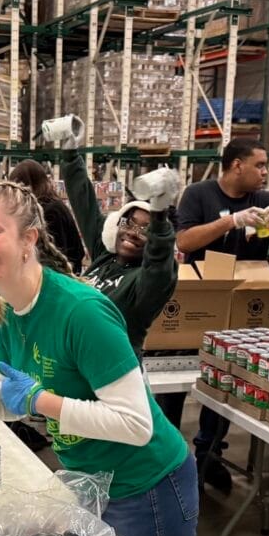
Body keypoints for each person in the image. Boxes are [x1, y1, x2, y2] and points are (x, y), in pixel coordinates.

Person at [0, 180, 197, 536]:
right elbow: (25, 400)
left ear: (28, 238)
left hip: (146, 485)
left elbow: (135, 425)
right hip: (90, 482)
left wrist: (38, 400)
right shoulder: (6, 307)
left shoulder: (81, 312)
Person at [175, 137, 269, 492]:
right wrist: (231, 221)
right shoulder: (199, 195)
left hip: (242, 314)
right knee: (173, 388)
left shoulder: (266, 200)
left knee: (223, 385)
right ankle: (168, 459)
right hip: (199, 307)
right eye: (259, 165)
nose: (264, 172)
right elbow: (184, 242)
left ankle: (209, 455)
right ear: (237, 165)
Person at [43, 119, 179, 363]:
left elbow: (160, 258)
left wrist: (160, 213)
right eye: (129, 223)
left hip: (114, 370)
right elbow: (84, 203)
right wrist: (70, 151)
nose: (134, 233)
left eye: (146, 230)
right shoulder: (105, 256)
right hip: (76, 361)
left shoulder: (147, 283)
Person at [8, 158, 85, 274]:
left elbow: (57, 255)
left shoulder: (50, 211)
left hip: (59, 277)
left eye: (19, 188)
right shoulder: (53, 206)